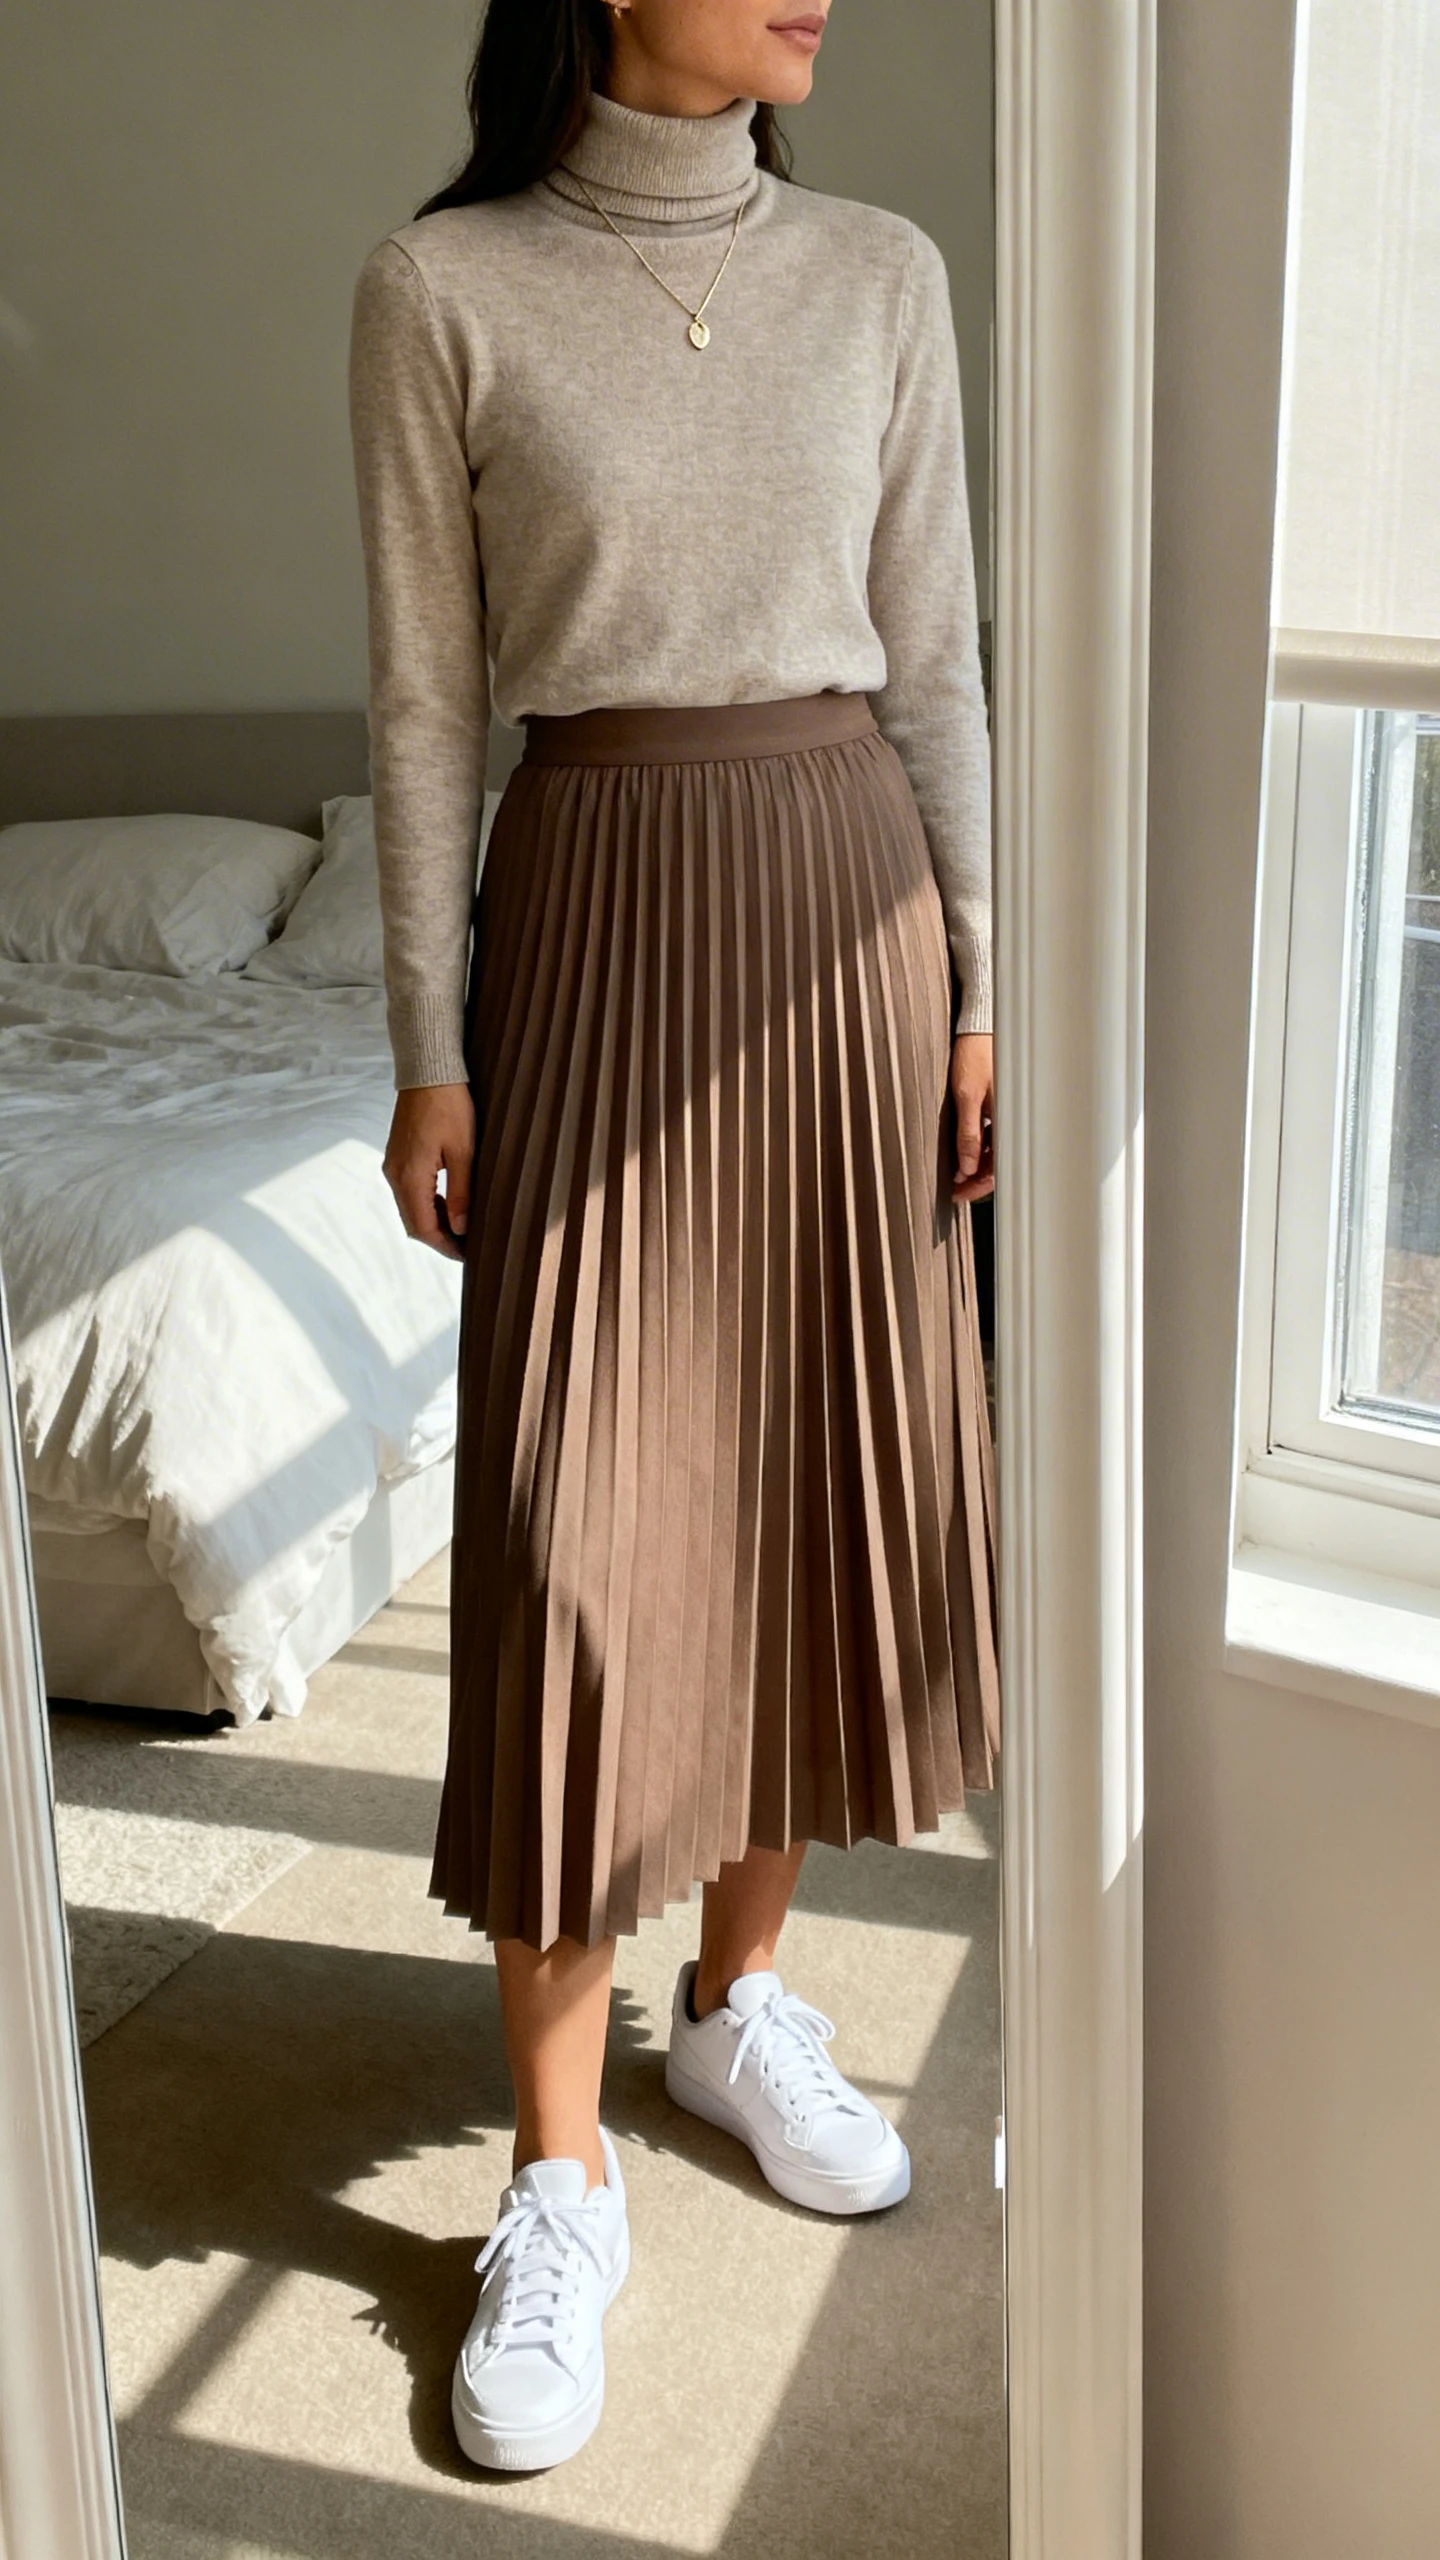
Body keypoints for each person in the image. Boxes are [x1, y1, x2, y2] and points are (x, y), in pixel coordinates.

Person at [349, 0, 1000, 2477]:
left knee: (809, 1490)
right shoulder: (450, 288)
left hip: (848, 908)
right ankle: (558, 2166)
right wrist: (433, 1038)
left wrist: (978, 975)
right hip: (599, 912)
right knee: (576, 1539)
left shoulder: (880, 270)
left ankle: (737, 2004)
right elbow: (422, 703)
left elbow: (932, 648)